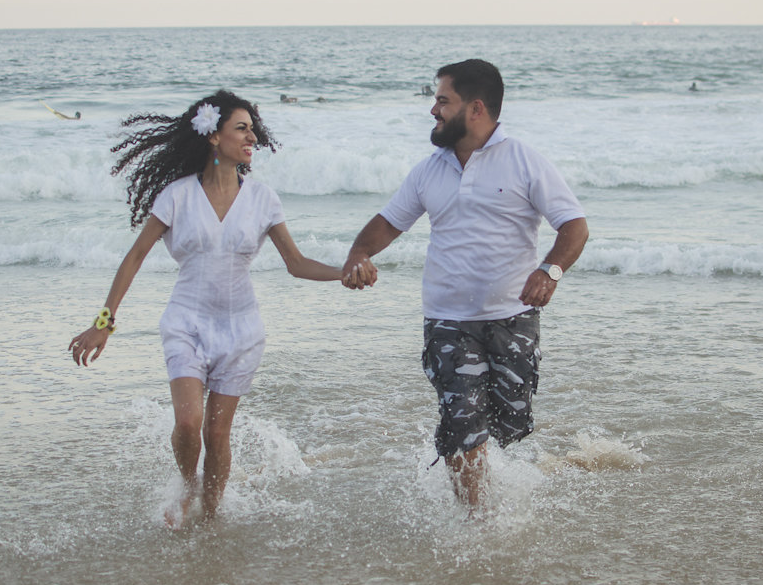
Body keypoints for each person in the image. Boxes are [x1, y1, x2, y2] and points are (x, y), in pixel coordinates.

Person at [69, 90, 343, 528]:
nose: (252, 135)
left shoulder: (263, 198)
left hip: (241, 330)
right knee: (188, 423)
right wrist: (103, 323)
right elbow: (135, 256)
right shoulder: (176, 196)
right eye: (242, 127)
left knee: (217, 436)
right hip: (186, 323)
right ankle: (188, 488)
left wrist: (344, 271)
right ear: (213, 136)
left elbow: (296, 264)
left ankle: (211, 516)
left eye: (253, 128)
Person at [342, 59, 588, 510]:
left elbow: (574, 226)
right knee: (461, 422)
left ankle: (489, 480)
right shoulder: (428, 169)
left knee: (509, 424)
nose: (433, 111)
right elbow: (388, 223)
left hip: (511, 318)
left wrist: (549, 272)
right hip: (448, 320)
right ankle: (477, 518)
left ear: (475, 108)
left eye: (442, 101)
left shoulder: (524, 161)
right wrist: (359, 254)